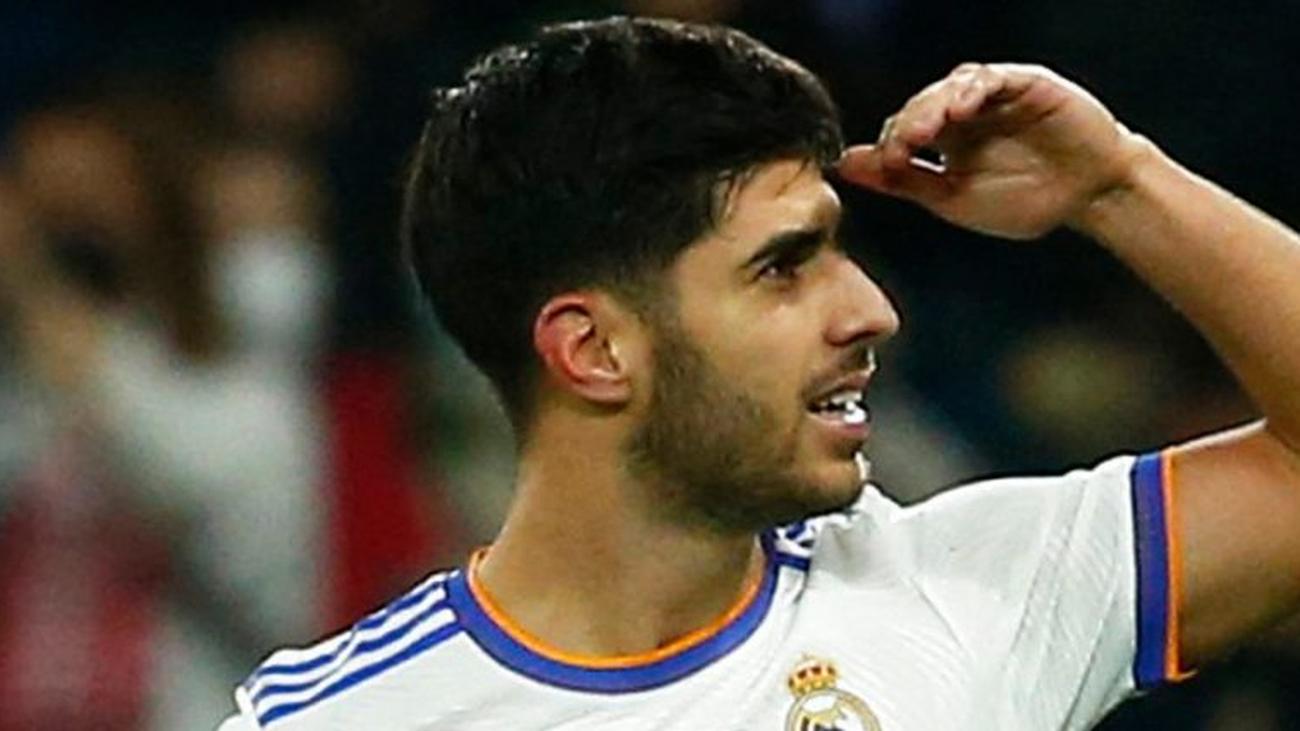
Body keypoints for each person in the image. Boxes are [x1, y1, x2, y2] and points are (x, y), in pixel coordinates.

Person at [218, 16, 1300, 730]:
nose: (870, 309)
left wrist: (1120, 185)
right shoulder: (340, 718)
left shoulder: (960, 593)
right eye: (783, 266)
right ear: (592, 349)